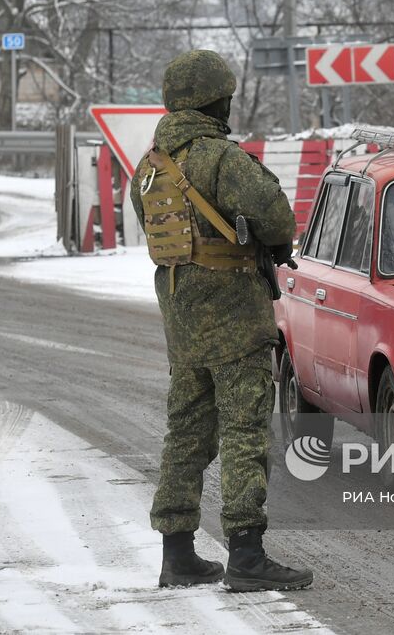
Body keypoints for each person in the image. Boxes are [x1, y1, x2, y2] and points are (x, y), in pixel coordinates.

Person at [130, 49, 313, 591]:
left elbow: (157, 232)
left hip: (182, 322)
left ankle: (177, 553)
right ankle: (246, 555)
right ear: (217, 99)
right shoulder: (219, 159)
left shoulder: (149, 166)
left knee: (185, 434)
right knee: (243, 433)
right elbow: (276, 214)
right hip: (234, 317)